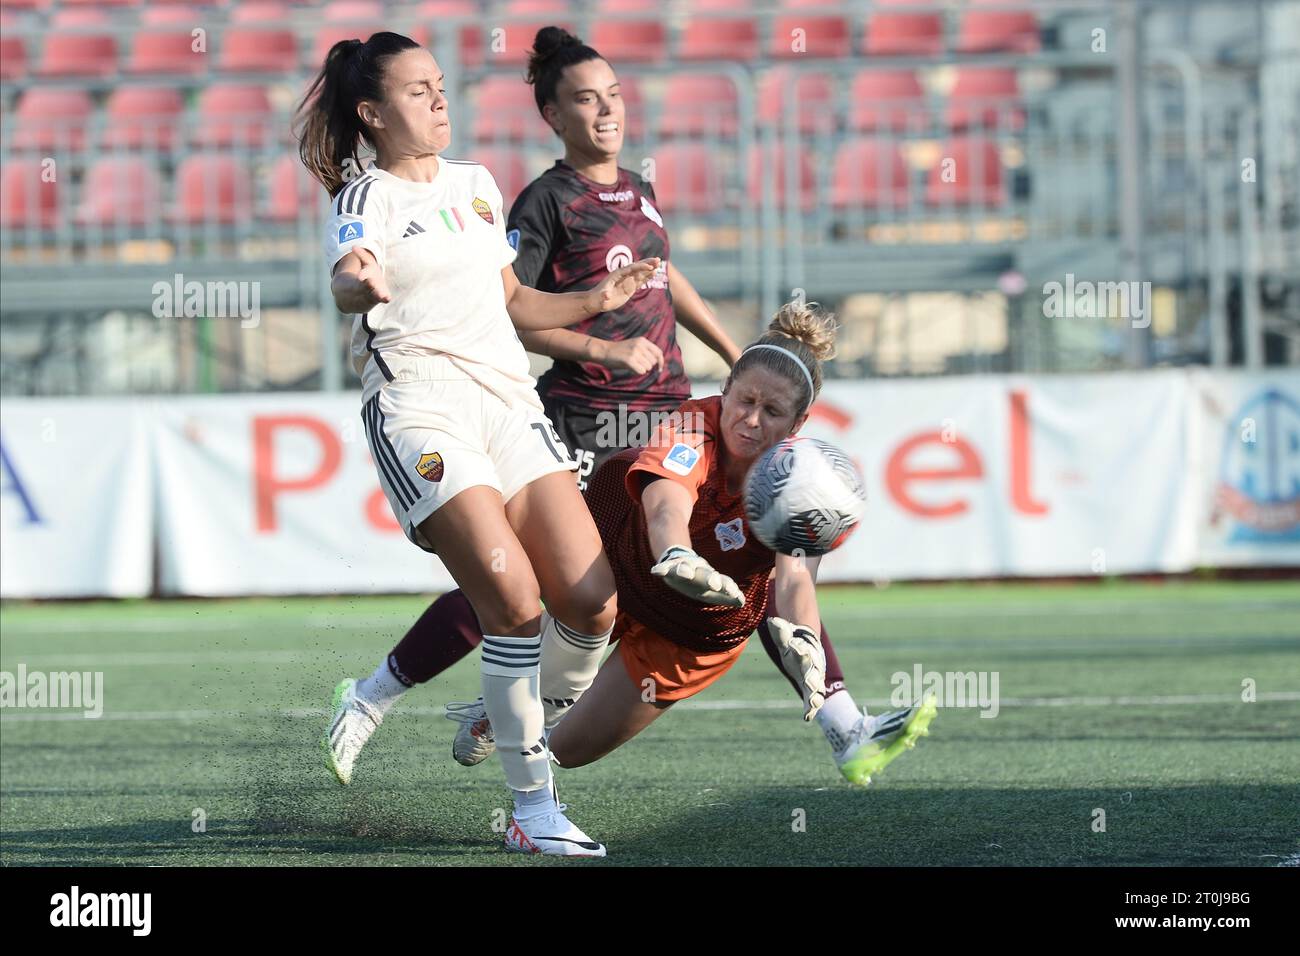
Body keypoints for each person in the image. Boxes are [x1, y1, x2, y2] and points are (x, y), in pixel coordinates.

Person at [326, 28, 890, 792]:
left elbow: (643, 282)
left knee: (747, 544)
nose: (607, 111)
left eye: (615, 95)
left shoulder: (611, 190)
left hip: (653, 406)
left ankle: (840, 718)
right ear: (553, 116)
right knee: (517, 585)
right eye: (586, 99)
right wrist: (605, 348)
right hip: (579, 417)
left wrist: (732, 352)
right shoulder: (539, 200)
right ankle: (384, 693)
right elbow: (501, 308)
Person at [297, 32, 661, 857]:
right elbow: (347, 273)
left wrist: (598, 300)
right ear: (372, 112)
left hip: (507, 403)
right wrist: (361, 281)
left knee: (595, 602)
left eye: (440, 85)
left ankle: (479, 715)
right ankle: (534, 812)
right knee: (515, 605)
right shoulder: (367, 197)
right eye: (418, 90)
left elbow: (515, 306)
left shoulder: (478, 185)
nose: (438, 100)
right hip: (420, 409)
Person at [465, 302, 938, 782]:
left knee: (566, 750)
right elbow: (667, 503)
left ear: (798, 424)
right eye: (745, 401)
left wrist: (806, 641)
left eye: (772, 411)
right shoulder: (693, 424)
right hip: (620, 577)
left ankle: (523, 744)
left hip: (690, 634)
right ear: (725, 390)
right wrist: (676, 553)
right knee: (525, 698)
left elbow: (794, 577)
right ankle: (504, 725)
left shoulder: (804, 478)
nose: (751, 420)